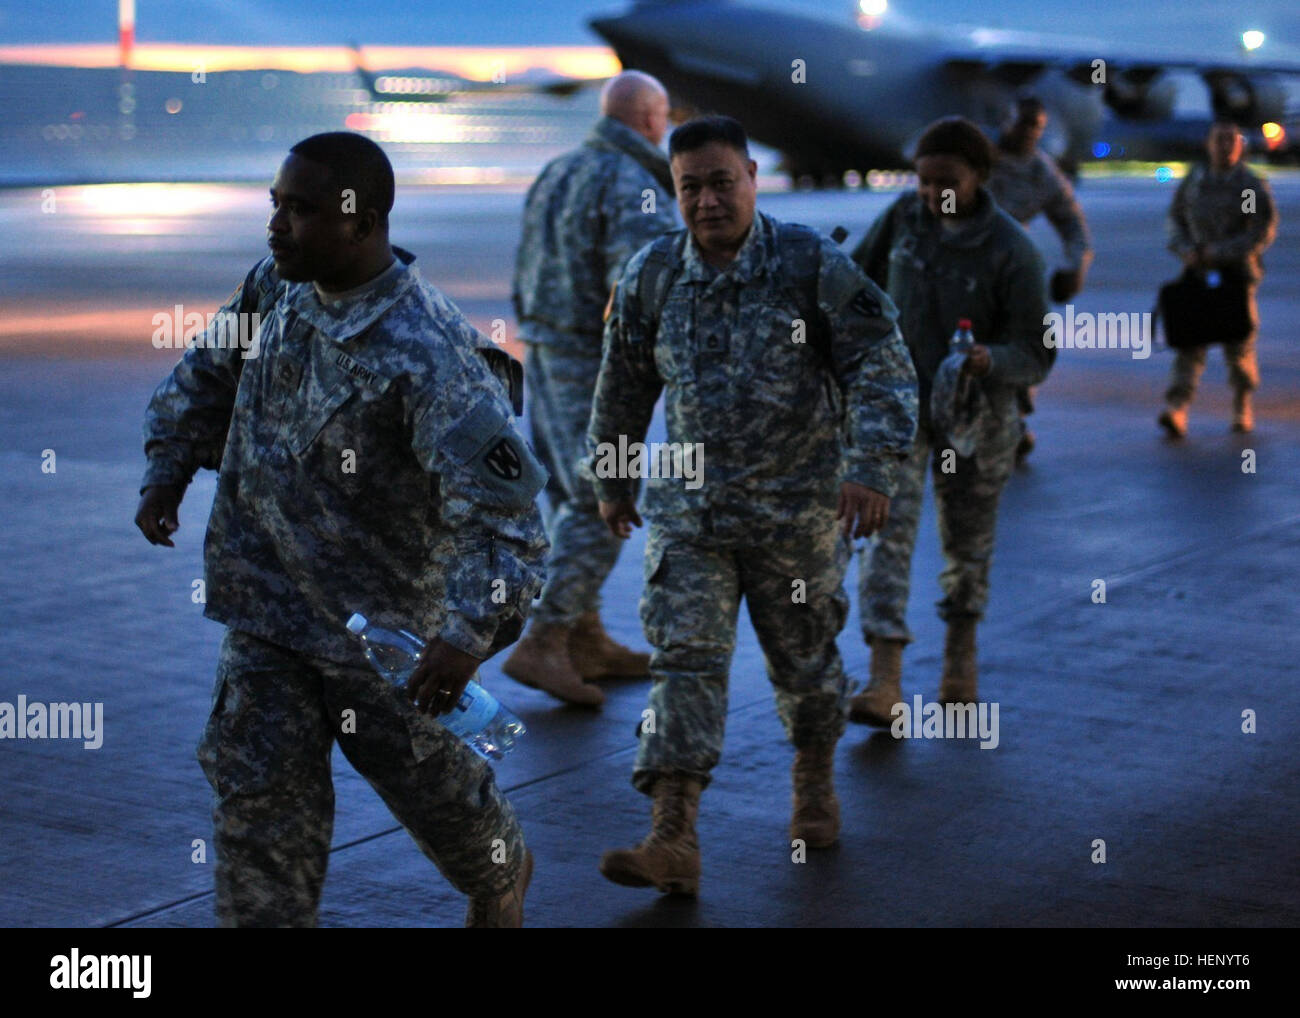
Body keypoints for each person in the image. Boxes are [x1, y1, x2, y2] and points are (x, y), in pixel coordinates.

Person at [134, 132, 548, 927]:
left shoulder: (429, 354)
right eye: (276, 205)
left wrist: (465, 634)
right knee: (258, 809)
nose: (277, 226)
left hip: (387, 637)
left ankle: (501, 874)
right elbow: (208, 368)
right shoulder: (277, 286)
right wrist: (171, 463)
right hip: (267, 613)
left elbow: (501, 513)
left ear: (362, 223)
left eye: (303, 210)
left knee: (439, 799)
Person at [588, 116, 917, 894]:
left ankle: (812, 782)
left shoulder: (810, 263)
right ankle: (674, 835)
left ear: (752, 179)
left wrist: (871, 467)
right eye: (689, 187)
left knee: (804, 664)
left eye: (720, 181)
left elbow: (882, 362)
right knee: (684, 664)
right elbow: (624, 383)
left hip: (797, 519)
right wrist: (612, 477)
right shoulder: (652, 273)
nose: (706, 201)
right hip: (691, 519)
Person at [848, 116, 1053, 726]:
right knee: (883, 538)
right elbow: (854, 284)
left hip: (976, 420)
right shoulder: (903, 220)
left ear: (981, 179)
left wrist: (992, 360)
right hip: (899, 413)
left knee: (967, 546)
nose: (933, 193)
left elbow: (1039, 352)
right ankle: (884, 678)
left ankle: (960, 661)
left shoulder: (1012, 250)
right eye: (923, 180)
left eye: (948, 182)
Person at [504, 71, 680, 707]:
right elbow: (640, 287)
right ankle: (544, 640)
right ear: (650, 120)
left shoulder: (557, 170)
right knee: (603, 497)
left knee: (563, 490)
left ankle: (586, 636)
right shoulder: (631, 182)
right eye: (663, 118)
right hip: (591, 358)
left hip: (543, 346)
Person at [987, 96, 1093, 464]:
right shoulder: (976, 158)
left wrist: (1076, 266)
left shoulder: (1040, 172)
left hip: (1010, 270)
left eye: (1036, 127)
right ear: (1005, 122)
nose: (1028, 133)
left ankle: (1013, 424)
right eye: (1022, 124)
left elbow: (1072, 222)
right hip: (959, 262)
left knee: (1020, 344)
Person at [1159, 120, 1278, 437]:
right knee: (1189, 342)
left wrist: (1222, 251)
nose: (1225, 145)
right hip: (1197, 270)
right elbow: (1175, 219)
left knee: (1238, 344)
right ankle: (1178, 408)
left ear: (1240, 145)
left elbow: (1259, 230)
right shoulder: (1195, 181)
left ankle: (1242, 404)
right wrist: (1187, 250)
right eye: (1219, 139)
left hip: (1235, 274)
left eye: (1231, 140)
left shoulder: (1248, 186)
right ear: (1208, 144)